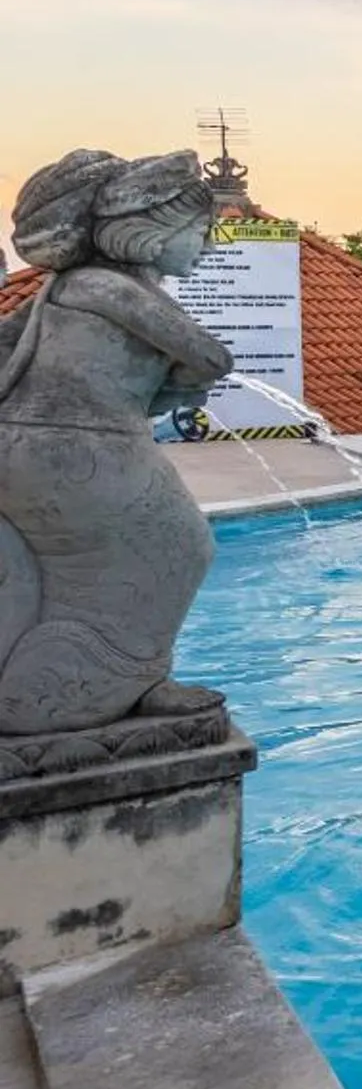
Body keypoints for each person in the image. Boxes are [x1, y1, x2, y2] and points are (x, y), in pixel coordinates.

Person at [0, 149, 234, 732]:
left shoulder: (73, 287)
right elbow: (208, 353)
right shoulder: (107, 287)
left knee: (59, 570)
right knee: (178, 548)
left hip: (37, 443)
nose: (208, 247)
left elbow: (7, 342)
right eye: (200, 232)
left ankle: (61, 670)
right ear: (150, 234)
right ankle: (93, 692)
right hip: (79, 445)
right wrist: (185, 378)